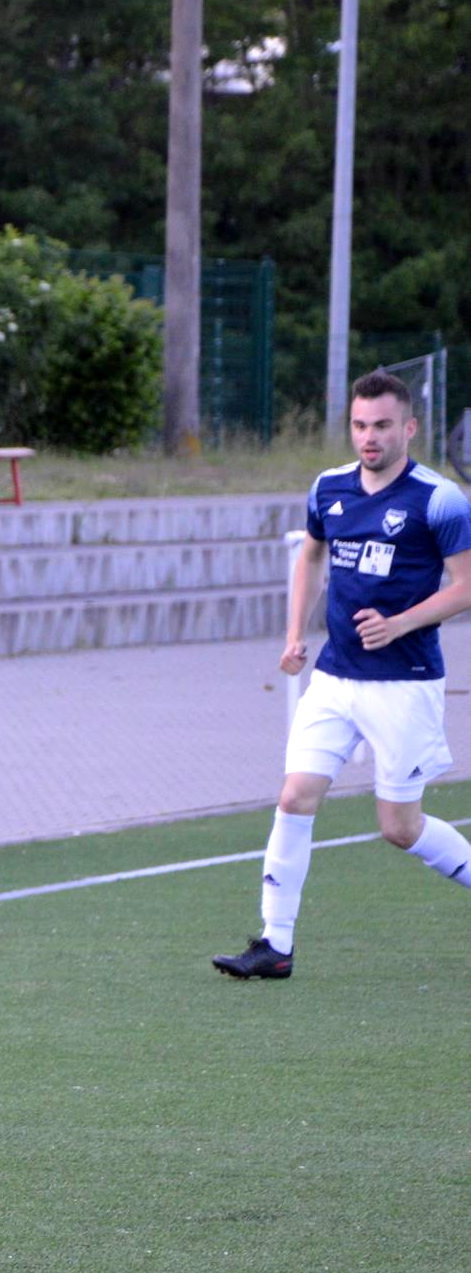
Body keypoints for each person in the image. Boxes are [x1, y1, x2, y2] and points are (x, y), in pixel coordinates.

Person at [213, 369, 471, 979]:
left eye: (382, 425)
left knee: (400, 828)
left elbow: (466, 586)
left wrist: (400, 623)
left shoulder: (439, 499)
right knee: (294, 796)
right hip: (333, 678)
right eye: (359, 425)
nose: (369, 437)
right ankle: (275, 945)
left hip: (404, 682)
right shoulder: (328, 487)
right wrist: (295, 633)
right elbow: (310, 556)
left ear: (409, 428)